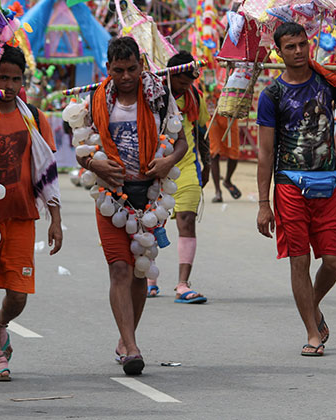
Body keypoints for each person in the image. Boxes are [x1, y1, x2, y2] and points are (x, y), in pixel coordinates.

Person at [256, 22, 336, 356]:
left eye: (303, 44)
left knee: (334, 261)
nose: (298, 51)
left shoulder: (328, 83)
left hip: (328, 184)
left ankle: (312, 305)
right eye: (290, 47)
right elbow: (264, 153)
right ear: (279, 51)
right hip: (290, 186)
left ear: (310, 45)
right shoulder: (272, 95)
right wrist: (264, 203)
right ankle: (312, 332)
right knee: (299, 262)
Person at [77, 37, 187, 375]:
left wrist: (168, 163)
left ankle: (127, 339)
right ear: (107, 69)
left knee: (140, 272)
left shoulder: (159, 97)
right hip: (110, 197)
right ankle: (132, 347)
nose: (125, 77)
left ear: (141, 65)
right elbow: (80, 147)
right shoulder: (96, 101)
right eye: (118, 70)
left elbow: (181, 142)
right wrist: (95, 165)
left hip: (151, 196)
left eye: (131, 69)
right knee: (120, 269)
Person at [0, 45, 63, 381]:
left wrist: (55, 220)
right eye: (3, 78)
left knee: (17, 294)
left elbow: (47, 175)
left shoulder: (35, 119)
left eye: (16, 79)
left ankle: (0, 324)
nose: (9, 85)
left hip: (23, 216)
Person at [146, 50, 209, 303]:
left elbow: (202, 132)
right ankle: (149, 279)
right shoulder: (152, 95)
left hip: (187, 168)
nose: (186, 86)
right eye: (182, 82)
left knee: (186, 221)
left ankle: (183, 285)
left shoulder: (195, 97)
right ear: (170, 77)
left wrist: (208, 165)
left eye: (190, 81)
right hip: (153, 168)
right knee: (150, 224)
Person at [209, 114, 241, 202]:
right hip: (213, 115)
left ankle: (227, 180)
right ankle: (217, 191)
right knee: (214, 152)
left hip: (230, 116)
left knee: (234, 153)